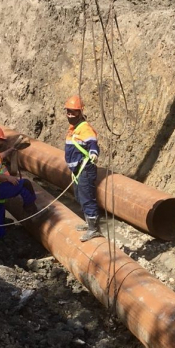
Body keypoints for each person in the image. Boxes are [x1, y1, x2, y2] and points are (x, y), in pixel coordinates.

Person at [0, 125, 38, 239]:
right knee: (24, 184)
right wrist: (8, 178)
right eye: (0, 140)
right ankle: (32, 211)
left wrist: (11, 150)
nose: (1, 143)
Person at [64, 95, 103, 241]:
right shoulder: (73, 129)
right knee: (79, 197)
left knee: (87, 197)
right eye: (68, 111)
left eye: (73, 112)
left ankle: (94, 229)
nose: (70, 114)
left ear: (80, 112)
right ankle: (89, 223)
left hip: (85, 169)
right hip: (77, 171)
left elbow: (93, 143)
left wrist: (93, 153)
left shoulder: (84, 128)